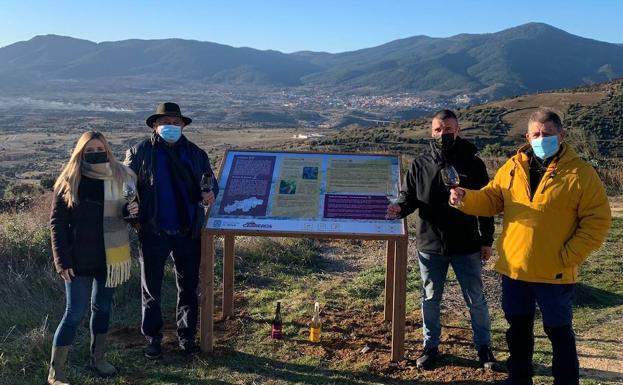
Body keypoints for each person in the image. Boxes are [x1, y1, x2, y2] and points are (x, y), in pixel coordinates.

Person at [449, 109, 611, 385]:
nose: (541, 139)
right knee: (518, 329)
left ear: (562, 135)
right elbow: (491, 199)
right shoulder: (513, 167)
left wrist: (570, 255)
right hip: (515, 268)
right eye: (536, 134)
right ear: (527, 136)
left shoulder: (580, 173)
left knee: (559, 331)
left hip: (555, 270)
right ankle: (519, 378)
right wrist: (465, 198)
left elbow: (598, 221)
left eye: (547, 134)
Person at [386, 109, 496, 370]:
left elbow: (487, 204)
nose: (443, 133)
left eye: (448, 129)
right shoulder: (420, 163)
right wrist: (399, 208)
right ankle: (430, 346)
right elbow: (409, 196)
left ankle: (484, 348)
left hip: (467, 244)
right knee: (430, 299)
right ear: (431, 132)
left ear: (458, 131)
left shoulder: (474, 163)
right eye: (438, 129)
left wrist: (486, 240)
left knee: (476, 299)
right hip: (430, 244)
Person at [125, 102, 219, 359]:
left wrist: (211, 193)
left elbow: (212, 184)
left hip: (188, 231)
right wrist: (129, 207)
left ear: (183, 126)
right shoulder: (138, 152)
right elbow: (125, 190)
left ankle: (186, 338)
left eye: (176, 122)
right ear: (154, 126)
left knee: (188, 287)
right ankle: (152, 339)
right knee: (150, 289)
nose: (171, 127)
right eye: (166, 122)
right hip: (153, 231)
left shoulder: (196, 154)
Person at [49, 131, 138, 385]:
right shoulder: (70, 179)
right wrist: (61, 261)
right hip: (77, 260)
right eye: (89, 151)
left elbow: (131, 215)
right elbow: (57, 223)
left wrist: (131, 212)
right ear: (80, 153)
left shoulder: (122, 175)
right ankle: (57, 372)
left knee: (102, 309)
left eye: (99, 148)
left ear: (107, 149)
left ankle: (97, 360)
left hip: (110, 258)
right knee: (74, 313)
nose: (95, 153)